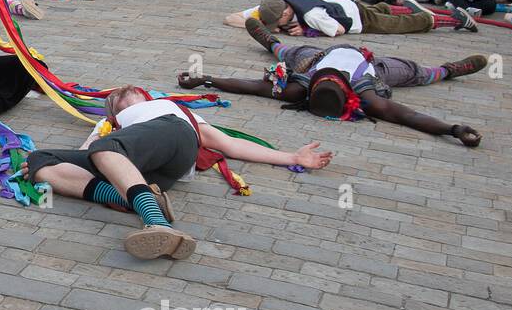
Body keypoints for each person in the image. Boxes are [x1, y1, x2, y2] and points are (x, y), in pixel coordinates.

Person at [23, 87, 335, 260]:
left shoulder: (170, 109)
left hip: (174, 137)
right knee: (40, 159)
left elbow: (231, 145)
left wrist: (292, 156)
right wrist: (41, 167)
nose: (126, 92)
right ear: (116, 113)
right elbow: (88, 153)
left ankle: (156, 222)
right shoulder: (114, 128)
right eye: (118, 97)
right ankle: (140, 200)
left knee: (104, 149)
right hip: (149, 172)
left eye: (132, 92)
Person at [184, 23, 486, 147]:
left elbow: (252, 86)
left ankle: (271, 41)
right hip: (370, 66)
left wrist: (207, 79)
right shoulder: (369, 96)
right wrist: (453, 129)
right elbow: (407, 116)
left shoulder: (298, 87)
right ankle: (446, 71)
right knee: (413, 72)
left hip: (312, 57)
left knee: (287, 53)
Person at [225, 0, 472, 38]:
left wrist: (308, 32)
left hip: (356, 21)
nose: (273, 26)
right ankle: (409, 5)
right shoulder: (280, 1)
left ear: (286, 12)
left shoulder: (311, 17)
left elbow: (339, 31)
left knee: (402, 24)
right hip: (345, 5)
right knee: (382, 8)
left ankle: (453, 19)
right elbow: (232, 17)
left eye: (275, 22)